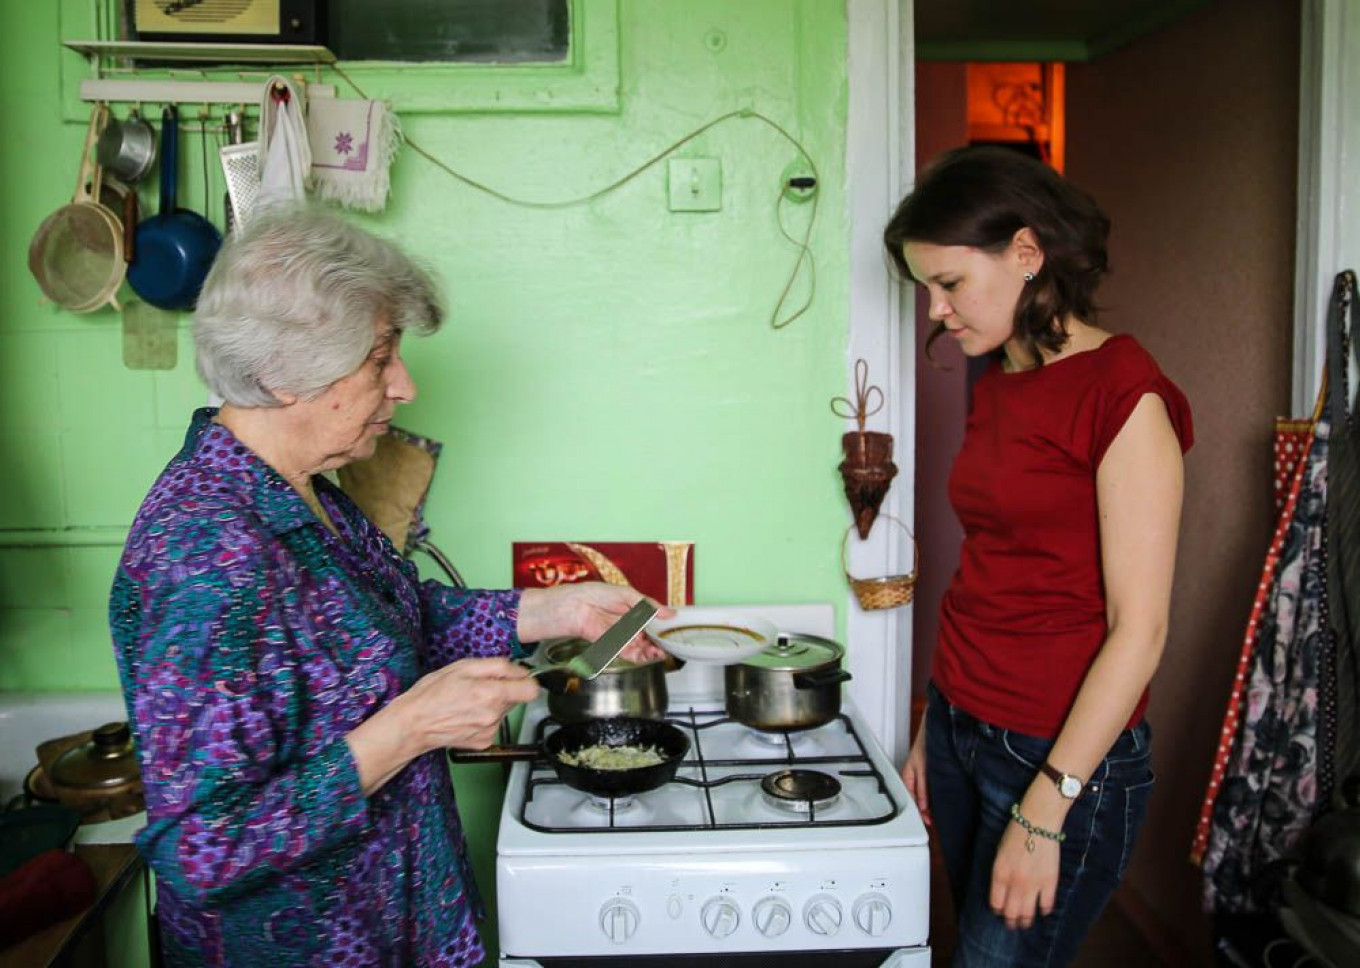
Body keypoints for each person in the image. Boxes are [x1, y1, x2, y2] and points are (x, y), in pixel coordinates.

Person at [108, 206, 667, 966]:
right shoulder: (205, 552)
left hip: (397, 913)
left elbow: (387, 620)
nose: (404, 385)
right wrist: (408, 729)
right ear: (281, 373)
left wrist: (551, 609)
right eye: (380, 358)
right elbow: (203, 849)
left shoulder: (306, 487)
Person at [883, 146, 1193, 967]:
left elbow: (1141, 628)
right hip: (959, 726)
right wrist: (933, 721)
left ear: (1027, 254)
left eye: (949, 284)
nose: (937, 313)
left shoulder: (1125, 393)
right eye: (927, 291)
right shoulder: (1000, 377)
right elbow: (991, 569)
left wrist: (1045, 808)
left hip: (1055, 757)